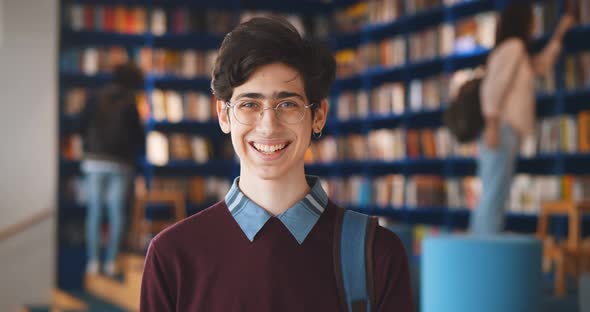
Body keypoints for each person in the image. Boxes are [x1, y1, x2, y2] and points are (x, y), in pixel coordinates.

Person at [140, 16, 414, 311]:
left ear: (318, 114)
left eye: (287, 104)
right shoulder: (172, 257)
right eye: (249, 104)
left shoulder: (375, 254)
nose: (268, 126)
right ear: (223, 114)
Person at [470, 2, 575, 234]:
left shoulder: (517, 52)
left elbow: (541, 65)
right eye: (532, 20)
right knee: (494, 195)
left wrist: (560, 32)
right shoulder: (514, 47)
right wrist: (492, 125)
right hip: (501, 129)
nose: (535, 25)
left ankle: (483, 248)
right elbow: (492, 89)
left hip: (504, 130)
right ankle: (485, 250)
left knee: (494, 193)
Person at [79, 62, 145, 276]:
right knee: (116, 211)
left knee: (95, 211)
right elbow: (137, 134)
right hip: (120, 161)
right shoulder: (130, 101)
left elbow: (80, 124)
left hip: (94, 160)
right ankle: (110, 261)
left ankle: (93, 261)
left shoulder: (95, 96)